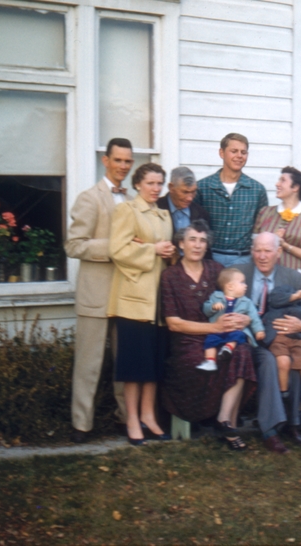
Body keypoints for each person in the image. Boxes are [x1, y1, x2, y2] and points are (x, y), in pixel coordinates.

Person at [160, 220, 257, 451]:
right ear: (181, 243)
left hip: (222, 337)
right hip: (188, 341)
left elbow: (239, 300)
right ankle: (223, 426)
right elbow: (174, 324)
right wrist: (214, 328)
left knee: (242, 352)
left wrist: (245, 319)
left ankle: (226, 421)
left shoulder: (215, 270)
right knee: (196, 362)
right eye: (192, 239)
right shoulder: (170, 276)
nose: (197, 245)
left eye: (203, 240)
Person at [64, 137, 133, 444]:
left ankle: (124, 418)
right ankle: (81, 425)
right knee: (88, 364)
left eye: (128, 161)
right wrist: (115, 248)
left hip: (125, 294)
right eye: (118, 160)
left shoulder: (132, 199)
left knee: (124, 361)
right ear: (105, 161)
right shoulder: (89, 198)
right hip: (95, 294)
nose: (123, 166)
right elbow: (73, 245)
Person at [107, 163, 175, 446]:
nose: (156, 188)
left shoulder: (163, 214)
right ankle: (132, 419)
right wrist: (152, 249)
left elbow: (164, 252)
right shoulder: (127, 210)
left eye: (160, 183)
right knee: (134, 367)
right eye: (150, 183)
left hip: (158, 301)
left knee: (153, 365)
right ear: (137, 184)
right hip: (134, 301)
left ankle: (148, 415)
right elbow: (117, 249)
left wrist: (167, 251)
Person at [238, 232, 301, 454]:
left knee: (293, 364)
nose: (262, 256)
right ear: (251, 251)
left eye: (267, 251)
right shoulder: (240, 274)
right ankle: (271, 430)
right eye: (258, 250)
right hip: (249, 341)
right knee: (268, 361)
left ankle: (292, 424)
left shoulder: (294, 279)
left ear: (278, 252)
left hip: (284, 340)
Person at [196, 133, 268, 267]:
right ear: (221, 153)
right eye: (234, 151)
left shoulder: (257, 190)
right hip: (209, 259)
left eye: (243, 152)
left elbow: (261, 229)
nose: (239, 156)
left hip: (243, 260)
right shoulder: (203, 187)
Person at [254, 166, 301, 282]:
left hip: (300, 284)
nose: (277, 184)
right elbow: (253, 249)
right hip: (267, 282)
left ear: (295, 187)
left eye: (282, 180)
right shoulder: (265, 213)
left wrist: (286, 246)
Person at [198, 268, 265, 371]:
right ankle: (210, 361)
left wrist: (259, 330)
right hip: (217, 330)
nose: (246, 285)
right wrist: (213, 307)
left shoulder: (246, 302)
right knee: (210, 341)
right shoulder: (216, 297)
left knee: (239, 335)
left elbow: (254, 317)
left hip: (235, 330)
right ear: (230, 286)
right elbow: (205, 309)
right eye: (242, 282)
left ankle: (228, 348)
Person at [157, 166, 211, 248]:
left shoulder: (201, 214)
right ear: (171, 187)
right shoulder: (156, 208)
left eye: (193, 192)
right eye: (185, 192)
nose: (190, 198)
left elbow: (206, 249)